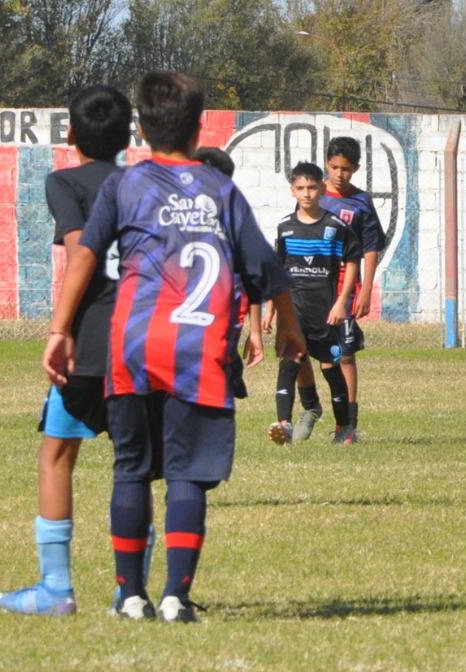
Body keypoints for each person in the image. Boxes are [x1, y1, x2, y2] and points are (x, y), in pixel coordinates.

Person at [43, 71, 305, 623]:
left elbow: (85, 255)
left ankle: (130, 596)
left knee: (130, 468)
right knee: (186, 473)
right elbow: (266, 267)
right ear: (199, 126)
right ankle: (174, 597)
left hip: (134, 343)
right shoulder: (220, 189)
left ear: (141, 128)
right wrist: (288, 326)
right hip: (197, 349)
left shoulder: (125, 185)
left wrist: (60, 329)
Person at [0, 84, 133, 617]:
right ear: (128, 137)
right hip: (139, 342)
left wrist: (60, 328)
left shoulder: (64, 181)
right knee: (132, 464)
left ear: (70, 135)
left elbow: (81, 253)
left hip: (89, 341)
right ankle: (130, 590)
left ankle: (55, 589)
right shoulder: (143, 182)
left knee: (56, 454)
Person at [265, 161, 363, 445]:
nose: (306, 193)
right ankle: (283, 425)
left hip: (325, 311)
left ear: (321, 188)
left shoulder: (335, 226)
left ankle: (345, 428)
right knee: (289, 362)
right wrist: (271, 311)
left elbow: (353, 262)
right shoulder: (285, 228)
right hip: (293, 312)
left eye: (311, 187)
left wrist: (341, 303)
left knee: (330, 368)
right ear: (292, 191)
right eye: (300, 188)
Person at [300, 136, 387, 436]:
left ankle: (348, 425)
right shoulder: (313, 194)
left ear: (356, 168)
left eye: (346, 169)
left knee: (345, 354)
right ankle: (310, 406)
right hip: (310, 285)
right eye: (335, 167)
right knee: (299, 349)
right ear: (327, 163)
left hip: (344, 287)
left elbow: (371, 247)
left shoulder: (361, 202)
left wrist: (365, 290)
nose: (340, 174)